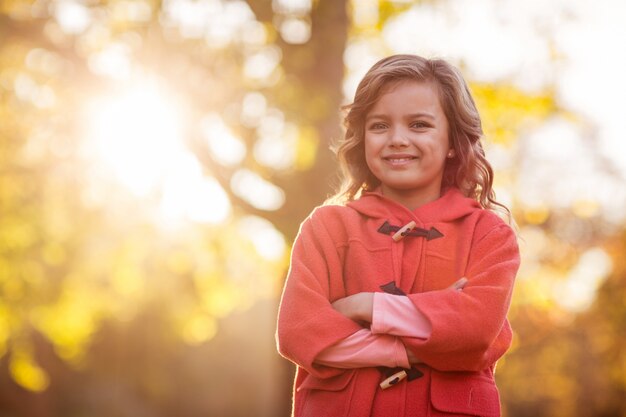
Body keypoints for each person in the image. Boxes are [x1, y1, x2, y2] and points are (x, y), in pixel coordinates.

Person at [276, 54, 520, 417]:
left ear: (453, 139)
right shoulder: (325, 228)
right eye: (379, 126)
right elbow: (299, 333)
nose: (397, 139)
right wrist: (421, 337)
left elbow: (476, 330)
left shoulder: (490, 235)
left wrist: (367, 306)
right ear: (362, 137)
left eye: (419, 125)